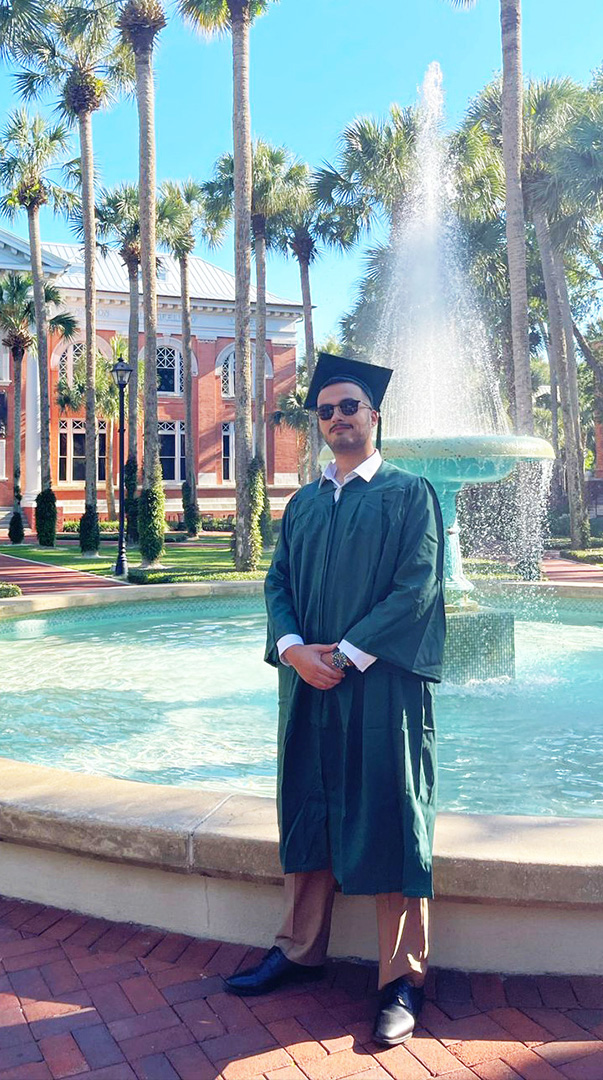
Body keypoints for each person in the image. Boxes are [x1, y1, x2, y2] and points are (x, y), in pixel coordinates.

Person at [223, 353, 447, 1049]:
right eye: (326, 410)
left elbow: (418, 587)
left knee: (391, 814)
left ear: (374, 415)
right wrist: (293, 649)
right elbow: (276, 582)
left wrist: (345, 655)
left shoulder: (412, 494)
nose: (338, 418)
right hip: (309, 685)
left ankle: (400, 979)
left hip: (380, 688)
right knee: (309, 808)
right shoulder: (305, 503)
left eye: (349, 406)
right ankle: (299, 950)